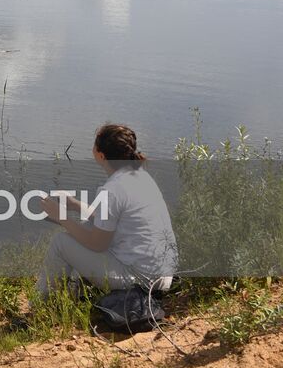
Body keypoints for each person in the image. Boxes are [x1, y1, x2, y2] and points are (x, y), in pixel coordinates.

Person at [36, 123, 178, 298]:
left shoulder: (111, 190)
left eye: (94, 145)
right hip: (161, 278)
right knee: (88, 224)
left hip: (138, 282)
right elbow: (109, 221)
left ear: (101, 155)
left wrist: (61, 216)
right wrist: (75, 205)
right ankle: (77, 291)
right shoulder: (141, 176)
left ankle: (40, 305)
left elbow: (98, 244)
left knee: (60, 242)